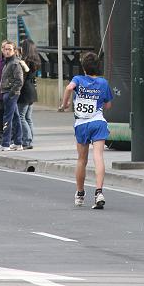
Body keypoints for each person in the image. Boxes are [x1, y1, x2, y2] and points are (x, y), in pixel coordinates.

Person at [59, 52, 113, 209]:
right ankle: (99, 192)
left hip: (82, 124)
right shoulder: (103, 83)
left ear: (83, 68)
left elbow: (69, 88)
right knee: (99, 157)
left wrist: (65, 104)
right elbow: (108, 105)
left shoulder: (78, 79)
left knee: (82, 160)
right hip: (98, 122)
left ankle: (80, 193)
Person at [0, 40, 24, 151]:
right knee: (16, 117)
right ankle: (18, 142)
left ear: (14, 51)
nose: (7, 51)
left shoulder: (15, 63)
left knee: (7, 117)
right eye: (5, 49)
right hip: (7, 92)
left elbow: (19, 81)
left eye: (9, 49)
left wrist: (11, 93)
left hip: (10, 93)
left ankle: (5, 143)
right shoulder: (8, 62)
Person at [17, 38, 40, 150]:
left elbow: (22, 77)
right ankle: (29, 138)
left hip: (25, 91)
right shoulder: (35, 60)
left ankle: (26, 140)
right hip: (32, 90)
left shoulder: (24, 62)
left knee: (21, 117)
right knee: (28, 117)